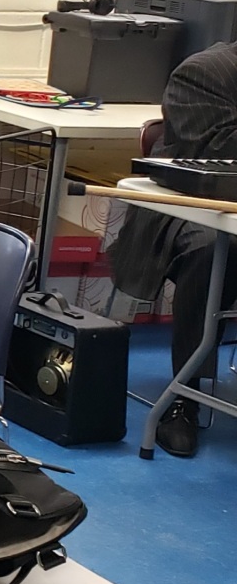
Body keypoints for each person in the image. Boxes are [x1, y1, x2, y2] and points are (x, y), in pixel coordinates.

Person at [106, 38, 237, 457]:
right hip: (191, 206)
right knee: (213, 251)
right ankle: (184, 397)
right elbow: (220, 151)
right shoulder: (204, 72)